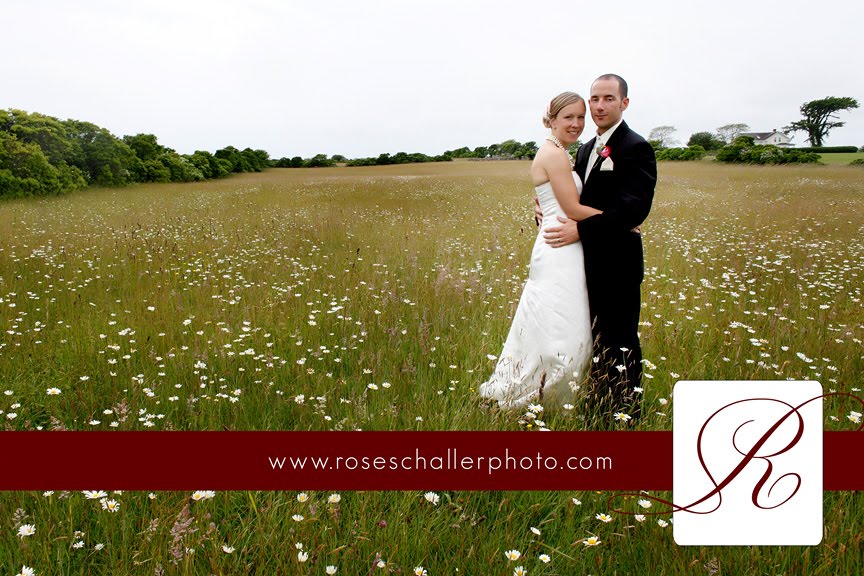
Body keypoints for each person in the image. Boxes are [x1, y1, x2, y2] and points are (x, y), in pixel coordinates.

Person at [540, 74, 657, 419]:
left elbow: (635, 210)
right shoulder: (587, 149)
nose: (600, 105)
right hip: (583, 264)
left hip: (618, 263)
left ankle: (626, 414)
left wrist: (582, 229)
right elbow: (574, 201)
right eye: (595, 98)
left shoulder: (635, 147)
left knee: (621, 341)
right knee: (592, 340)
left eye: (608, 98)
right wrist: (545, 210)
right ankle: (597, 407)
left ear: (624, 103)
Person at [479, 92, 601, 408]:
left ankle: (543, 393)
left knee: (554, 326)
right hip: (559, 249)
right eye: (568, 117)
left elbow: (557, 204)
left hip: (566, 245)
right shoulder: (553, 154)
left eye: (580, 117)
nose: (576, 124)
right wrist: (622, 222)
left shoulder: (561, 152)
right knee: (566, 332)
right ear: (552, 119)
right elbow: (572, 208)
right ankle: (546, 398)